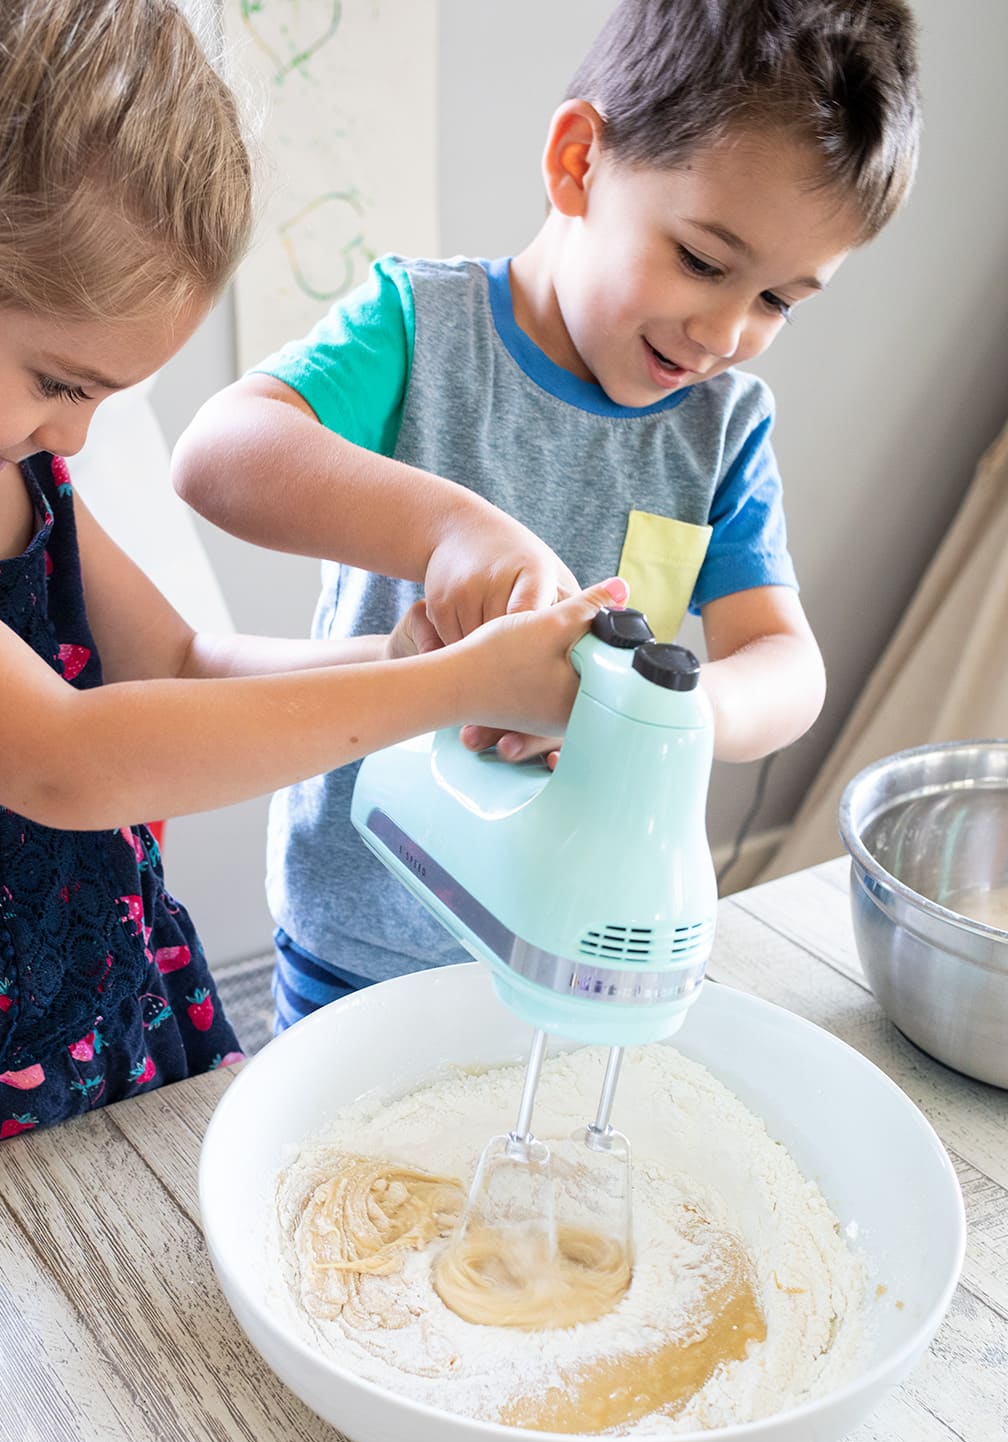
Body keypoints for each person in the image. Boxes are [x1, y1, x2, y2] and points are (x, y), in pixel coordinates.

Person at [0, 0, 613, 1198]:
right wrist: (456, 684)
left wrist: (411, 671)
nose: (74, 434)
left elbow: (180, 666)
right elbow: (58, 756)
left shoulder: (14, 466)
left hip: (104, 1010)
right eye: (57, 380)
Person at [173, 0, 921, 1033]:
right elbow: (218, 457)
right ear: (578, 163)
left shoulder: (723, 426)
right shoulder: (418, 327)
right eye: (704, 262)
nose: (725, 332)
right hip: (368, 927)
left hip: (578, 939)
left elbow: (787, 665)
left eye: (779, 302)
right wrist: (452, 531)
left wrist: (676, 717)